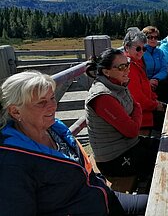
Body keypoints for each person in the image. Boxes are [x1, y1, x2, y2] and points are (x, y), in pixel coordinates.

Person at [0, 70, 147, 215]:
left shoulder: (54, 129)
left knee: (159, 204)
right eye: (41, 103)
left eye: (52, 98)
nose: (52, 106)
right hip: (91, 204)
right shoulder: (12, 161)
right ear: (15, 111)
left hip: (101, 197)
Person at [85, 48, 159, 181]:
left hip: (129, 146)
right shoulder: (103, 96)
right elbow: (132, 130)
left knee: (165, 147)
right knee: (164, 162)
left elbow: (136, 107)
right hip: (114, 160)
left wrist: (137, 109)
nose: (127, 70)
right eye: (121, 67)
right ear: (106, 71)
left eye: (128, 64)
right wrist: (138, 109)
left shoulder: (118, 84)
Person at [123, 28, 165, 129]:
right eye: (138, 48)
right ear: (126, 47)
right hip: (142, 117)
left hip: (147, 109)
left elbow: (146, 89)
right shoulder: (128, 67)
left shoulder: (138, 63)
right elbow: (138, 99)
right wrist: (156, 105)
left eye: (144, 49)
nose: (141, 52)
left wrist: (156, 101)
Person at [142, 26, 168, 102]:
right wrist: (148, 82)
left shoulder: (159, 52)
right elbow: (139, 71)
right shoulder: (140, 52)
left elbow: (164, 69)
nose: (153, 39)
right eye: (150, 37)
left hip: (158, 82)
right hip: (144, 85)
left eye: (156, 37)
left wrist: (156, 78)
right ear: (144, 39)